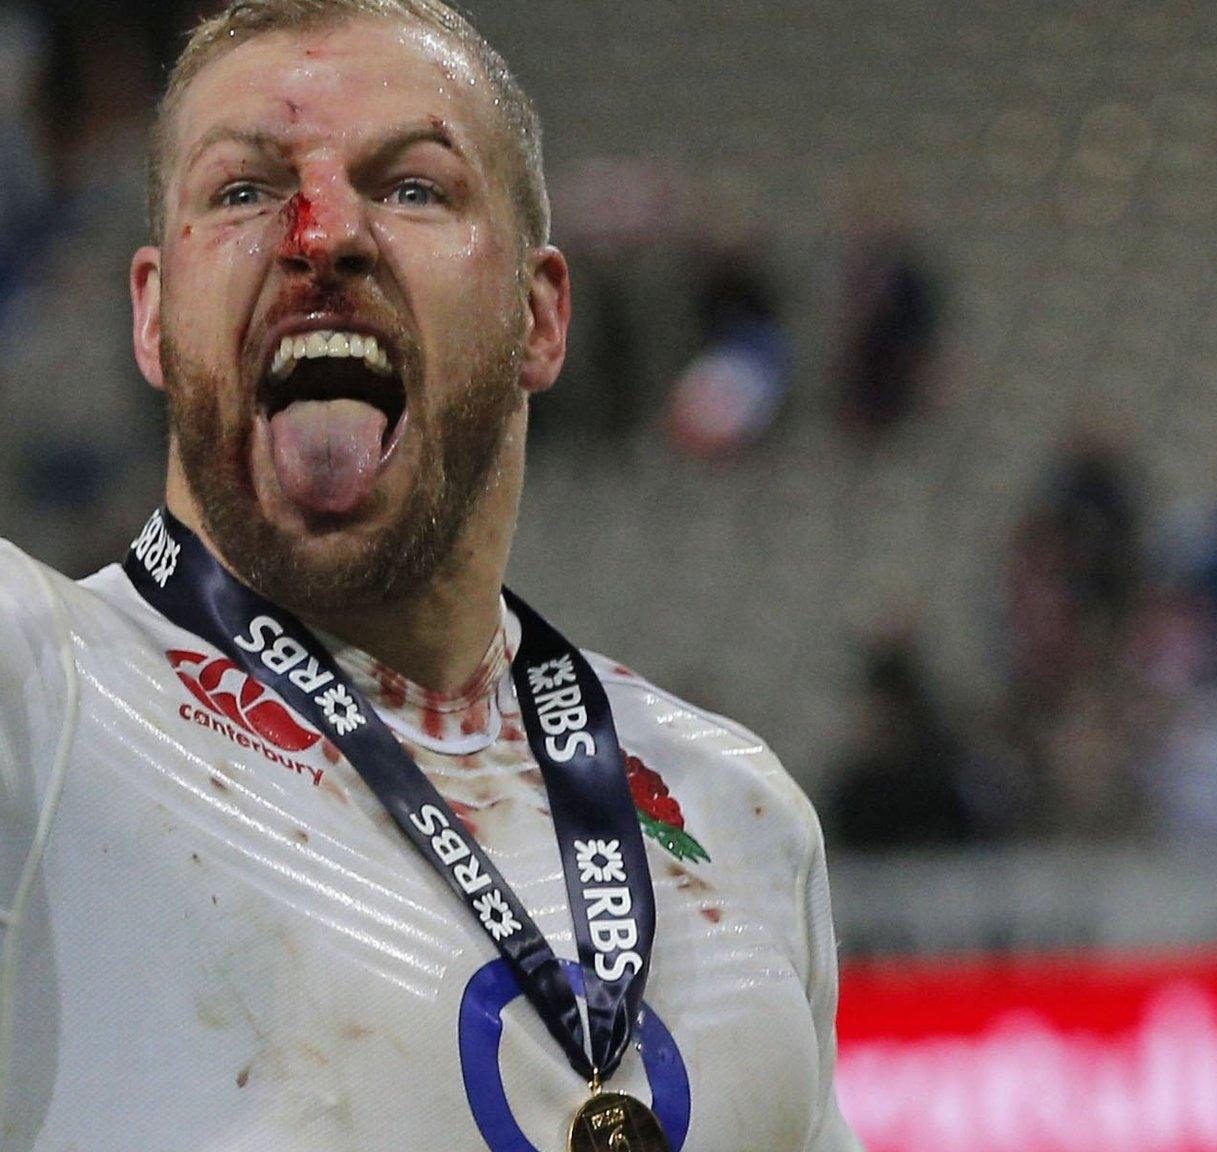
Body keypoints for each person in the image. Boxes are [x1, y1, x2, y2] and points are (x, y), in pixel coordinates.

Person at [0, 2, 861, 1149]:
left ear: (540, 316)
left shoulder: (738, 810)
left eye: (412, 187)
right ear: (152, 318)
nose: (322, 234)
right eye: (243, 191)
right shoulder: (41, 696)